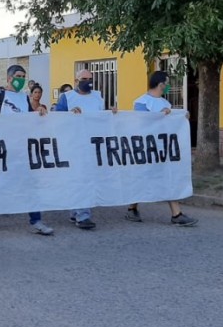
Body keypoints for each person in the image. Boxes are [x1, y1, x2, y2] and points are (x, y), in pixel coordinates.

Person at [0, 65, 55, 235]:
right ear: (8, 78)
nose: (21, 79)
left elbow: (30, 119)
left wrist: (40, 112)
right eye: (18, 76)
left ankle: (36, 221)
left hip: (20, 148)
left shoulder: (24, 98)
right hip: (0, 149)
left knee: (30, 184)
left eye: (23, 76)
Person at [126, 71, 198, 226]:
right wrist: (159, 116)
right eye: (167, 83)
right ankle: (132, 208)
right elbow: (142, 124)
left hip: (163, 148)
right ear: (160, 84)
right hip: (146, 148)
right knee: (142, 178)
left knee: (168, 177)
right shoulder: (141, 102)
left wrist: (180, 118)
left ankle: (176, 214)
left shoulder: (166, 104)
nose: (168, 86)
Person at [55, 69, 109, 230]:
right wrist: (69, 115)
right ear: (76, 80)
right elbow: (57, 118)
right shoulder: (67, 97)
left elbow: (102, 117)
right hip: (74, 144)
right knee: (81, 177)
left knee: (87, 178)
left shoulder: (97, 96)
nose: (88, 81)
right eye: (84, 78)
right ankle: (83, 215)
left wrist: (112, 114)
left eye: (90, 78)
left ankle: (76, 211)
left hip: (93, 143)